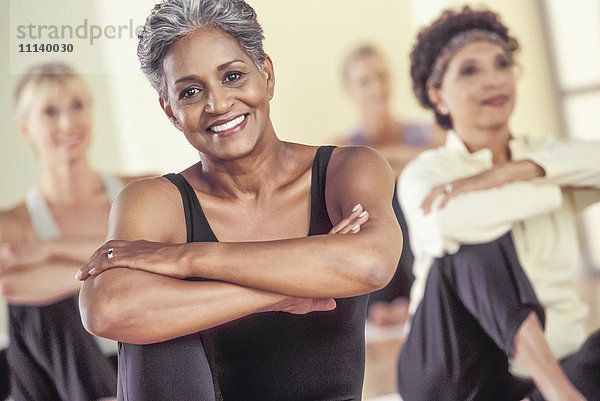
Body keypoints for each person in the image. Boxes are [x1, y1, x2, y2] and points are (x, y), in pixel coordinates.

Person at [75, 1, 402, 400]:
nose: (218, 104)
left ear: (266, 75)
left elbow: (370, 263)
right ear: (171, 111)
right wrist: (283, 291)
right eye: (191, 91)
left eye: (232, 76)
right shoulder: (154, 201)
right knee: (150, 331)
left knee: (158, 312)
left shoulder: (346, 169)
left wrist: (185, 259)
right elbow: (107, 309)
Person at [396, 6, 600, 401]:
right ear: (438, 96)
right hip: (454, 374)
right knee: (470, 243)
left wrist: (507, 172)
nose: (493, 80)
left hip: (555, 363)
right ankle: (559, 394)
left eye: (502, 64)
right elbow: (443, 226)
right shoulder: (427, 174)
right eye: (469, 70)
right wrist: (553, 190)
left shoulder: (543, 157)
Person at [0, 62, 149, 401]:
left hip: (142, 359)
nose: (68, 123)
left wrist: (49, 251)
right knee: (38, 307)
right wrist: (120, 263)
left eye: (77, 106)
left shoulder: (140, 189)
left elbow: (167, 254)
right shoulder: (13, 221)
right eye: (50, 112)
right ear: (25, 128)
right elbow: (11, 285)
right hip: (66, 378)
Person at [339, 45, 445, 326]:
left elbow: (444, 161)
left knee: (406, 188)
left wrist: (379, 160)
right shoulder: (341, 144)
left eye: (382, 76)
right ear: (349, 90)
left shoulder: (427, 132)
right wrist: (406, 159)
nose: (377, 87)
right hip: (378, 261)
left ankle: (417, 296)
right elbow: (354, 165)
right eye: (365, 81)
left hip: (418, 243)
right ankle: (388, 301)